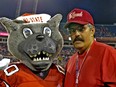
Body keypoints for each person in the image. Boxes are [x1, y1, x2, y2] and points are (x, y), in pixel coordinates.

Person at [64, 8, 116, 87]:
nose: (76, 34)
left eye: (81, 29)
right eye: (72, 30)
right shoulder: (70, 61)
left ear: (92, 31)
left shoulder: (107, 53)